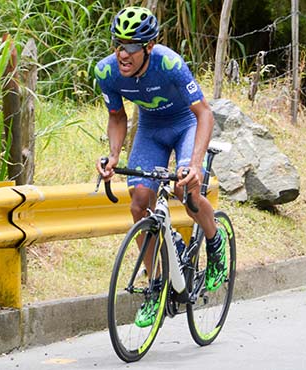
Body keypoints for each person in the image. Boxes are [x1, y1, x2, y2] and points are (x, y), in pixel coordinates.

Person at [95, 6, 226, 327]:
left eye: (130, 47)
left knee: (186, 189)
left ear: (148, 47)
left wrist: (194, 165)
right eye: (117, 44)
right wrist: (113, 157)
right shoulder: (107, 72)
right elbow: (116, 116)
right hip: (151, 130)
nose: (122, 54)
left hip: (185, 125)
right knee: (139, 205)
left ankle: (214, 241)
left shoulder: (169, 63)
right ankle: (156, 287)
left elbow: (204, 113)